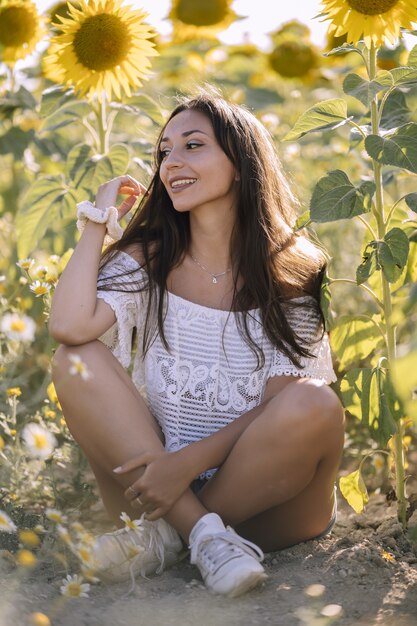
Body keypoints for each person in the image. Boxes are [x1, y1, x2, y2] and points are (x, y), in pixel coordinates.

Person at [49, 87, 345, 598]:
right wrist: (97, 223)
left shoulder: (292, 265)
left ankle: (169, 537)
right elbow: (71, 327)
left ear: (240, 160)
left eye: (192, 145)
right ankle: (200, 534)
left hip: (265, 503)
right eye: (164, 151)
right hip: (153, 486)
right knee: (76, 358)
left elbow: (283, 407)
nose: (170, 163)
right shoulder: (153, 253)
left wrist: (187, 464)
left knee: (313, 400)